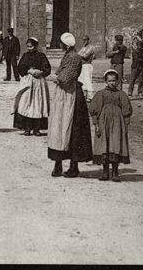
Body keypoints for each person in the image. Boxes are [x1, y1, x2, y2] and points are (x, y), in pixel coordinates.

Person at [47, 32, 93, 178]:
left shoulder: (74, 57)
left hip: (72, 96)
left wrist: (54, 77)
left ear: (65, 45)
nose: (60, 45)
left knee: (73, 130)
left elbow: (65, 78)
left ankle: (73, 166)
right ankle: (58, 165)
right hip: (64, 96)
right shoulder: (68, 56)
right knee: (59, 128)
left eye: (61, 43)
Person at [90, 70, 132, 181]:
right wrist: (96, 123)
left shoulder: (121, 94)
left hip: (118, 124)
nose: (112, 83)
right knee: (105, 145)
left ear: (117, 81)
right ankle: (105, 172)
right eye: (109, 81)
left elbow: (126, 110)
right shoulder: (101, 94)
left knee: (116, 144)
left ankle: (115, 172)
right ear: (105, 81)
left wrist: (126, 124)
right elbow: (94, 110)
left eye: (114, 80)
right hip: (104, 123)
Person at [12, 37, 51, 136]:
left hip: (39, 83)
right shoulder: (25, 56)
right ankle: (27, 128)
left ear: (36, 46)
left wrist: (41, 72)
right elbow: (20, 68)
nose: (30, 48)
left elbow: (47, 68)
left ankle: (37, 129)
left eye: (31, 46)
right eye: (28, 46)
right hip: (28, 82)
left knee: (38, 105)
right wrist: (28, 71)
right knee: (26, 104)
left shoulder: (41, 56)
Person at [78, 35, 95, 102]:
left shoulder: (90, 47)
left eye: (85, 40)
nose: (84, 41)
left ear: (88, 40)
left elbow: (85, 56)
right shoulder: (83, 48)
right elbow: (78, 55)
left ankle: (90, 96)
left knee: (88, 80)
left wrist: (80, 54)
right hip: (82, 65)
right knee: (82, 80)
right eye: (83, 40)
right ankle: (84, 95)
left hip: (87, 65)